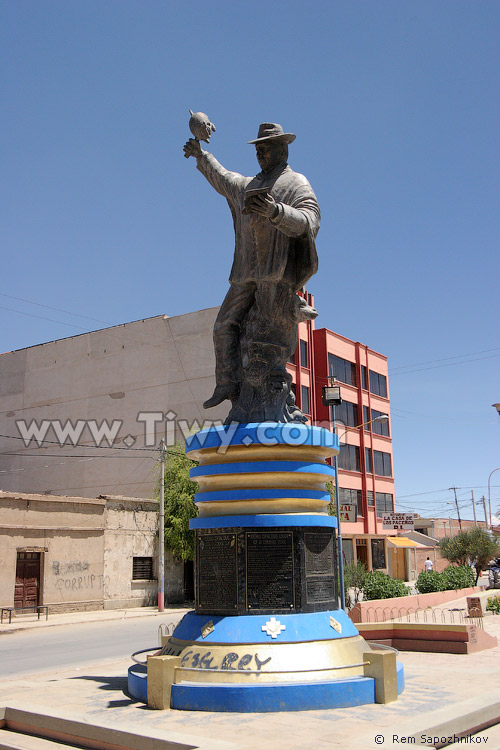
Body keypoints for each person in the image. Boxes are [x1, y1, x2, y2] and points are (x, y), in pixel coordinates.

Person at [183, 123, 321, 412]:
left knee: (267, 338)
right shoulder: (249, 185)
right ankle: (227, 384)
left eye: (265, 148)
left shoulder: (295, 183)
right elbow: (224, 179)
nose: (260, 154)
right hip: (245, 272)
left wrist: (275, 211)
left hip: (276, 273)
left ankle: (272, 397)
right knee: (223, 327)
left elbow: (309, 220)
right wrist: (201, 155)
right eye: (257, 149)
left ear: (282, 149)